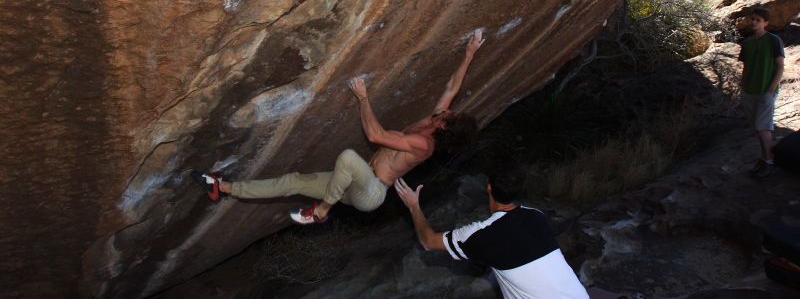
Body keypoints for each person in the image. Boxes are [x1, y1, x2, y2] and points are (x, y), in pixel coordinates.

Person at [192, 30, 485, 224]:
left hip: (371, 192)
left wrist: (363, 98)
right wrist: (469, 53)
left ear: (444, 127)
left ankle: (321, 211)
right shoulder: (433, 120)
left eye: (449, 115)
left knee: (347, 156)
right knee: (293, 181)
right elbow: (451, 87)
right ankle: (224, 186)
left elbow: (375, 135)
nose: (447, 109)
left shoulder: (424, 145)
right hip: (351, 184)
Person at [394, 165, 589, 299]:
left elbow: (428, 241)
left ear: (488, 187)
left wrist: (413, 206)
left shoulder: (482, 235)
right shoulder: (536, 216)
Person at [738, 6, 785, 178]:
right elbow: (745, 67)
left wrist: (771, 90)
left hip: (766, 91)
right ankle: (764, 157)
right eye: (753, 19)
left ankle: (769, 161)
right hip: (749, 91)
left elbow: (780, 66)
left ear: (766, 23)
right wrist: (742, 87)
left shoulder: (774, 40)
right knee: (757, 128)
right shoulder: (748, 43)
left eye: (758, 20)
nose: (754, 22)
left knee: (763, 127)